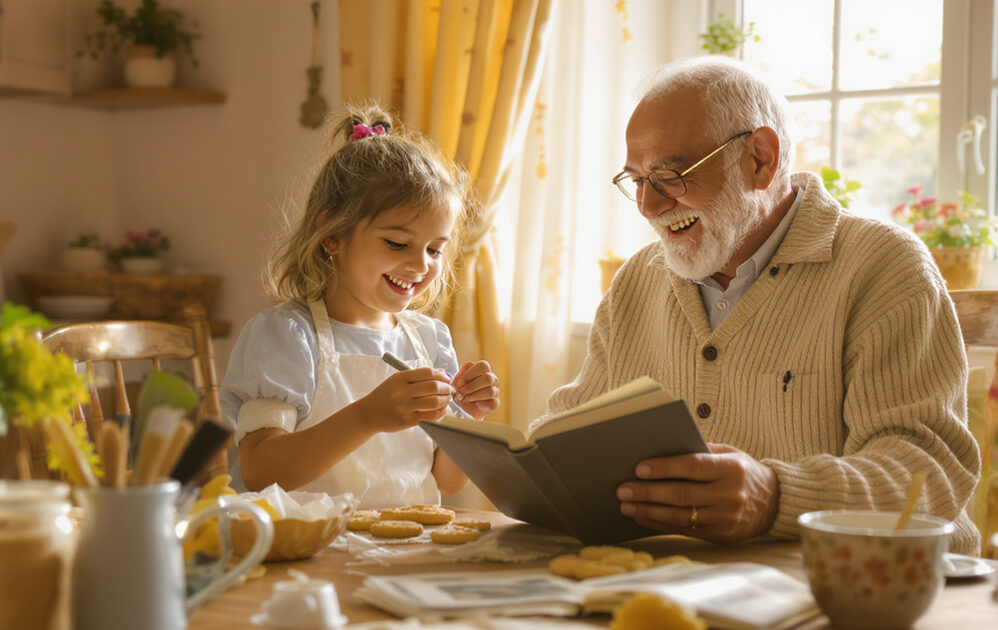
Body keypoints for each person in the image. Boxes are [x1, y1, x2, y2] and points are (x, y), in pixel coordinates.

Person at [538, 56, 981, 553]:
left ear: (760, 159)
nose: (649, 206)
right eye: (637, 181)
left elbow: (928, 473)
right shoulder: (638, 281)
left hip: (865, 586)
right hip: (685, 585)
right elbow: (573, 429)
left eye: (670, 175)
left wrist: (776, 497)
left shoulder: (883, 266)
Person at [220, 104, 500, 508]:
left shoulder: (429, 339)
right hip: (308, 553)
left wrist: (471, 419)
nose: (421, 264)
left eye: (436, 250)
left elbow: (449, 481)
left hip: (402, 549)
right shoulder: (286, 337)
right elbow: (262, 471)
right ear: (332, 235)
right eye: (397, 243)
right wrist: (368, 416)